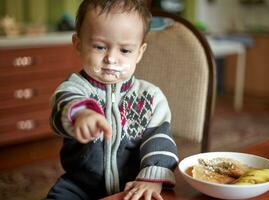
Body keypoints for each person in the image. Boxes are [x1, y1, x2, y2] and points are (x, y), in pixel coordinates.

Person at [45, 0, 178, 199]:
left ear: (139, 53)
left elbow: (160, 139)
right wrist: (81, 113)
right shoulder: (75, 87)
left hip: (132, 185)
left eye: (125, 50)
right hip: (78, 185)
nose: (111, 58)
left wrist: (151, 178)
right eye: (100, 47)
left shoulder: (151, 97)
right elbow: (63, 105)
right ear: (78, 44)